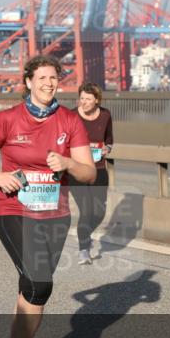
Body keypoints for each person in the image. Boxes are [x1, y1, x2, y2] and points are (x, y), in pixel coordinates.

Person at [0, 55, 95, 338]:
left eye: (53, 78)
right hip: (15, 210)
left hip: (55, 214)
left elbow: (89, 173)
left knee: (32, 289)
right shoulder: (8, 119)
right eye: (41, 78)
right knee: (40, 284)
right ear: (28, 82)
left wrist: (67, 165)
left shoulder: (70, 120)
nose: (49, 83)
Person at [72, 82, 113, 265]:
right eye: (81, 99)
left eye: (88, 99)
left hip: (99, 169)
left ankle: (85, 235)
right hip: (77, 171)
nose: (84, 102)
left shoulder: (105, 115)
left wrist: (107, 149)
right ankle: (83, 250)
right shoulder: (71, 116)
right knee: (87, 210)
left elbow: (109, 139)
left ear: (97, 100)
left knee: (99, 212)